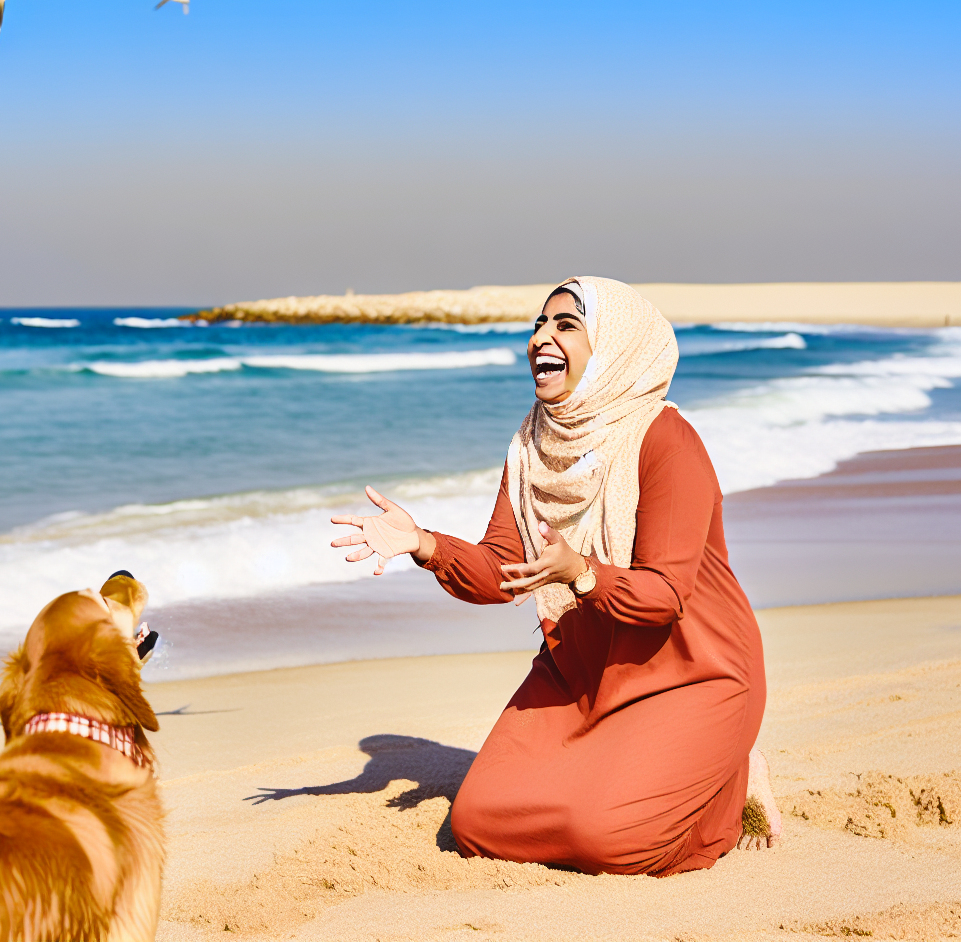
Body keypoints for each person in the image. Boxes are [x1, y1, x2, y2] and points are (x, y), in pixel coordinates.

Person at [329, 276, 781, 876]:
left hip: (693, 667)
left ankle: (731, 779)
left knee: (605, 839)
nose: (541, 338)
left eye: (566, 325)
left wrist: (583, 573)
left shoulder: (666, 440)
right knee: (476, 823)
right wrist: (425, 544)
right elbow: (502, 572)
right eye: (539, 325)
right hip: (585, 664)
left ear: (614, 346)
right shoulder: (533, 443)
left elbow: (665, 597)